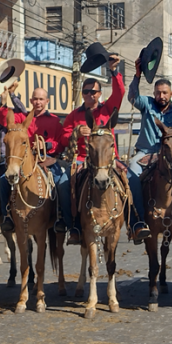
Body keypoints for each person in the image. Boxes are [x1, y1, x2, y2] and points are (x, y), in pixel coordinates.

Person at [126, 58, 172, 244]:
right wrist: (137, 75)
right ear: (154, 93)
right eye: (158, 92)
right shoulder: (146, 104)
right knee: (130, 175)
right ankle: (137, 222)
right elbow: (132, 97)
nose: (161, 96)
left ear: (171, 93)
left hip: (171, 155)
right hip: (146, 152)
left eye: (164, 93)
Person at [60, 54, 124, 245]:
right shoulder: (74, 115)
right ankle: (74, 226)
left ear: (99, 93)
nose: (90, 95)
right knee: (64, 184)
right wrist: (76, 133)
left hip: (108, 160)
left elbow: (120, 92)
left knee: (132, 180)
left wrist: (114, 70)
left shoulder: (108, 109)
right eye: (86, 92)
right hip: (81, 159)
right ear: (82, 94)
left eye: (94, 92)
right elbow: (63, 138)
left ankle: (135, 221)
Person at [0, 87, 74, 241]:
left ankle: (60, 217)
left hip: (48, 159)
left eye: (41, 99)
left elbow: (60, 143)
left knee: (60, 183)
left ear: (47, 101)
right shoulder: (23, 117)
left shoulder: (54, 120)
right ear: (31, 101)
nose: (38, 102)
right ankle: (7, 217)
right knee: (3, 181)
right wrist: (3, 102)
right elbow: (5, 121)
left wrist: (47, 145)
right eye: (35, 99)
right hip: (25, 161)